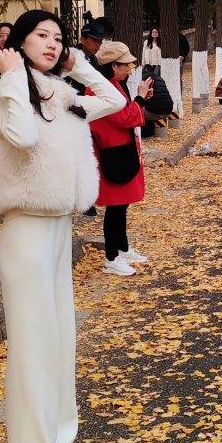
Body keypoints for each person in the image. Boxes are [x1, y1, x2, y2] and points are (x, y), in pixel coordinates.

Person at [0, 9, 124, 443]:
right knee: (34, 344)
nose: (52, 44)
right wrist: (11, 77)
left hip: (58, 228)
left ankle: (56, 441)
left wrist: (79, 64)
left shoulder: (57, 92)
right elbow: (22, 138)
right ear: (16, 43)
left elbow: (113, 99)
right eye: (41, 35)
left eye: (58, 38)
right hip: (27, 230)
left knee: (59, 339)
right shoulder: (2, 95)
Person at [91, 41, 153, 277]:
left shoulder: (113, 84)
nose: (129, 68)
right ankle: (111, 258)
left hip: (120, 151)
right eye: (124, 64)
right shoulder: (99, 90)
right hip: (111, 153)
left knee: (122, 204)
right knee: (115, 206)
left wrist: (140, 100)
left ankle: (122, 248)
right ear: (112, 66)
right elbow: (125, 118)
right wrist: (140, 100)